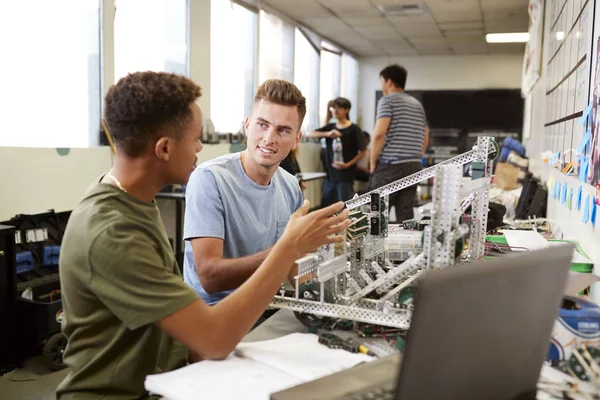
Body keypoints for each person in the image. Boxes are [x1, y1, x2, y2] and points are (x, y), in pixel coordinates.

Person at [56, 71, 349, 399]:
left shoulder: (134, 201)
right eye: (196, 138)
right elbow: (213, 338)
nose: (200, 146)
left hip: (166, 373)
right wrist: (289, 247)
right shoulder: (113, 232)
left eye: (282, 130)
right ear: (165, 148)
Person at [183, 79, 308, 305]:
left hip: (265, 307)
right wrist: (289, 249)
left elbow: (294, 266)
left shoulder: (290, 186)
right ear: (248, 125)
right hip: (214, 316)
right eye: (262, 125)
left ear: (295, 140)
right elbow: (210, 278)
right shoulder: (209, 179)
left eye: (282, 130)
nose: (269, 138)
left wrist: (322, 295)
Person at [369, 64, 429, 222]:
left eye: (382, 81)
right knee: (406, 214)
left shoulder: (387, 101)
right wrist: (417, 155)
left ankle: (376, 246)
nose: (381, 85)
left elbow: (379, 134)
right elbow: (426, 133)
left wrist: (372, 162)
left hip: (391, 165)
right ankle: (408, 246)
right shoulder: (417, 104)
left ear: (388, 82)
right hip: (414, 165)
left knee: (378, 215)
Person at [307, 97, 367, 206]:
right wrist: (327, 134)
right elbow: (309, 134)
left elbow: (363, 151)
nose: (335, 111)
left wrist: (347, 165)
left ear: (346, 110)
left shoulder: (354, 129)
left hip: (345, 176)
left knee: (347, 206)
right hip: (330, 175)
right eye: (333, 108)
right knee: (326, 206)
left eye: (338, 108)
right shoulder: (330, 127)